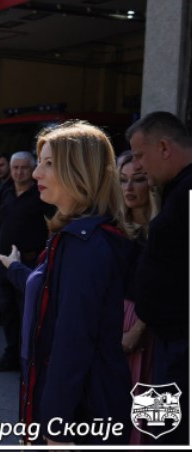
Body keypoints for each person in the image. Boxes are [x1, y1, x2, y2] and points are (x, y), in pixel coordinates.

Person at [0, 121, 132, 445]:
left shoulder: (86, 245)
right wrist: (15, 268)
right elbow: (51, 293)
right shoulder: (74, 238)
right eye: (39, 162)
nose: (36, 174)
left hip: (82, 417)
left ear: (80, 170)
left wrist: (55, 427)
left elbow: (73, 343)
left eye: (48, 163)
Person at [127, 111, 192, 445]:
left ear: (164, 147)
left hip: (181, 344)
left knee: (166, 435)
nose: (137, 166)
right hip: (165, 339)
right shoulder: (175, 191)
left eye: (139, 155)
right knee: (158, 427)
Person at [0, 151, 53, 372]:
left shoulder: (41, 195)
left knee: (26, 311)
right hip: (5, 262)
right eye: (15, 167)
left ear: (32, 169)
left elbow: (52, 227)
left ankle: (29, 357)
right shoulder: (5, 192)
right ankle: (11, 354)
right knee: (7, 310)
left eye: (24, 168)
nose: (18, 172)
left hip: (28, 263)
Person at [117, 150, 157, 445]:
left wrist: (138, 328)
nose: (129, 188)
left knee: (155, 405)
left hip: (152, 324)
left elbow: (170, 286)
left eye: (138, 179)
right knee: (116, 400)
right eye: (123, 180)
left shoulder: (164, 228)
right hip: (116, 319)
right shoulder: (114, 228)